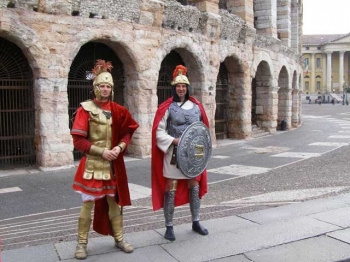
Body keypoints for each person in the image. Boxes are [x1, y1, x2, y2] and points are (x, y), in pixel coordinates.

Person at [70, 59, 139, 259]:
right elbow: (78, 140)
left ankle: (119, 238)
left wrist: (119, 147)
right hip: (92, 164)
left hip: (111, 166)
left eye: (108, 86)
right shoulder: (85, 109)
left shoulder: (118, 110)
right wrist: (102, 152)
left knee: (114, 204)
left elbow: (128, 132)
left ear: (112, 88)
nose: (105, 89)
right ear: (95, 87)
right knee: (87, 204)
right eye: (102, 85)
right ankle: (81, 244)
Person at [151, 65, 209, 241]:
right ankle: (169, 226)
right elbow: (159, 131)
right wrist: (174, 141)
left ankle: (196, 221)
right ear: (174, 88)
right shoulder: (167, 107)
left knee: (194, 185)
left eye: (183, 86)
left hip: (193, 155)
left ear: (187, 87)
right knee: (171, 188)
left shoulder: (197, 107)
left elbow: (203, 130)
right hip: (173, 153)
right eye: (178, 86)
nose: (181, 89)